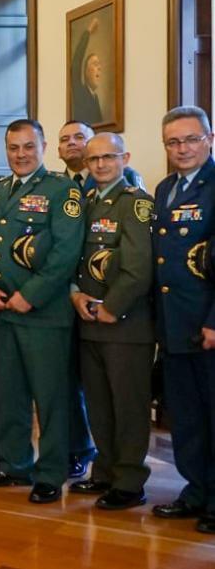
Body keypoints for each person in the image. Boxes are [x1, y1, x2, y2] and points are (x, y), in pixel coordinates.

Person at [0, 119, 83, 504]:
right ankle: (11, 463)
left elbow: (66, 252)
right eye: (14, 148)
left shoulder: (61, 190)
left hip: (43, 314)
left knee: (50, 396)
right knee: (9, 393)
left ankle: (51, 471)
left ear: (43, 147)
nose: (21, 155)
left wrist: (31, 295)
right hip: (1, 310)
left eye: (28, 147)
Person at [67, 132, 153, 511]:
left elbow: (139, 268)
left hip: (125, 325)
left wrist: (111, 306)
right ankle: (103, 470)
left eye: (108, 157)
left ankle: (131, 481)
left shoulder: (135, 205)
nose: (100, 165)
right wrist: (75, 294)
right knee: (99, 404)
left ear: (125, 158)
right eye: (93, 159)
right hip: (88, 319)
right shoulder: (84, 204)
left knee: (128, 405)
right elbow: (72, 257)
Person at [151, 106, 215, 534]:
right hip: (173, 323)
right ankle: (196, 490)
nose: (182, 148)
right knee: (187, 417)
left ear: (209, 139)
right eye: (173, 142)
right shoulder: (164, 188)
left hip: (207, 324)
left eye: (190, 139)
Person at [55, 119, 101, 478]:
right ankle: (77, 447)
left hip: (102, 299)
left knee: (102, 383)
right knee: (67, 380)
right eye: (65, 140)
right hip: (63, 297)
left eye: (79, 138)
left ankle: (111, 458)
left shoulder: (121, 180)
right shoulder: (58, 188)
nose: (72, 144)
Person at [70, 16, 105, 125]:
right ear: (85, 71)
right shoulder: (80, 91)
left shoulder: (95, 98)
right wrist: (88, 32)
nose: (99, 68)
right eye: (95, 64)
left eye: (99, 65)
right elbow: (76, 64)